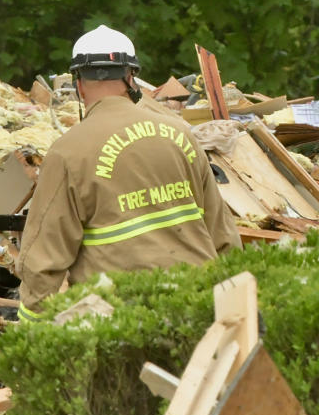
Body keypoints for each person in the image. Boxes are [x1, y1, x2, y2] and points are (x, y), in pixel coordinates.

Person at [16, 25, 240, 321]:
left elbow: (43, 260)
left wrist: (32, 331)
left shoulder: (67, 152)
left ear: (78, 83)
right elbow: (223, 235)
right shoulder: (180, 134)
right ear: (131, 77)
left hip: (121, 322)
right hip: (198, 308)